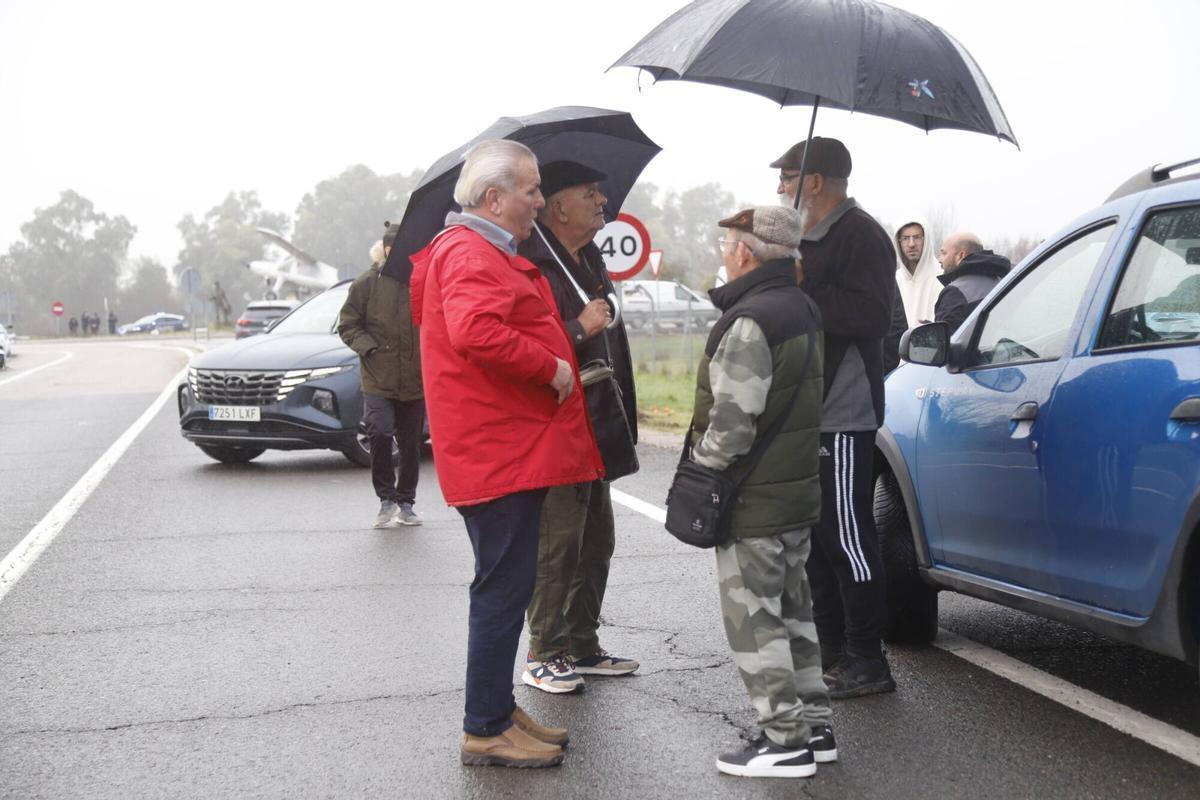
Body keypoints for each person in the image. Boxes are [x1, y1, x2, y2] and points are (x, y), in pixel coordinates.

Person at [409, 139, 604, 769]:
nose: (539, 200)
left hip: (503, 446)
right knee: (501, 587)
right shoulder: (470, 250)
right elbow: (476, 331)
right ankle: (485, 725)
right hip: (497, 450)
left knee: (510, 582)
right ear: (493, 198)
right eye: (531, 190)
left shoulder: (480, 248)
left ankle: (496, 709)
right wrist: (549, 366)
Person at [696, 205, 835, 778]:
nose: (725, 252)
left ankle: (783, 741)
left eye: (728, 243)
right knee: (795, 613)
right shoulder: (801, 306)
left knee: (756, 620)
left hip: (755, 498)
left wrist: (700, 473)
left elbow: (732, 426)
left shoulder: (751, 319)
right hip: (795, 492)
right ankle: (814, 726)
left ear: (746, 253)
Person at [773, 136, 898, 698]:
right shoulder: (806, 237)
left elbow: (873, 316)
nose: (780, 185)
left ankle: (868, 658)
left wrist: (807, 288)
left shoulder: (863, 234)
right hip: (807, 408)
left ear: (814, 181)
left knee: (848, 536)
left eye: (787, 175)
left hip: (844, 410)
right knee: (816, 541)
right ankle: (832, 653)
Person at [516, 161, 639, 694]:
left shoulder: (588, 259)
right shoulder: (530, 264)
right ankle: (544, 651)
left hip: (598, 419)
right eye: (590, 194)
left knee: (597, 539)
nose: (602, 202)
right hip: (555, 423)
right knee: (557, 541)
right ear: (558, 207)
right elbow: (524, 346)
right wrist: (577, 326)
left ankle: (582, 644)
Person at [337, 222, 425, 529]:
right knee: (380, 431)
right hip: (378, 375)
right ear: (384, 249)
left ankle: (407, 502)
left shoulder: (422, 279)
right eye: (390, 248)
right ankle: (386, 498)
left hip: (415, 377)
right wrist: (370, 349)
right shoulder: (366, 283)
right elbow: (347, 324)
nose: (395, 253)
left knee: (412, 442)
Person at [935, 232, 1012, 331]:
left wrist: (930, 330)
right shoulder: (1004, 281)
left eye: (944, 253)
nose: (940, 259)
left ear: (961, 255)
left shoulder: (955, 292)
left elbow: (946, 339)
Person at [893, 218, 942, 326]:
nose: (911, 244)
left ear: (926, 240)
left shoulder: (942, 276)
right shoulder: (895, 280)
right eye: (905, 238)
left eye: (917, 237)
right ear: (898, 242)